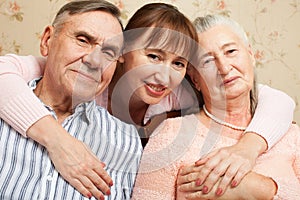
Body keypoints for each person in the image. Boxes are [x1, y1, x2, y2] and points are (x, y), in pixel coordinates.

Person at [0, 2, 296, 198]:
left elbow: (273, 98)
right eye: (152, 56)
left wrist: (248, 150)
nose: (163, 76)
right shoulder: (75, 73)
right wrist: (58, 140)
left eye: (179, 63)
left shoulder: (180, 93)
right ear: (124, 54)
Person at [131, 14, 300, 199]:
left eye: (230, 51)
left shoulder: (291, 135)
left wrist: (259, 189)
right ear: (195, 79)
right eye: (207, 61)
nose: (224, 67)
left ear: (251, 55)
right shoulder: (171, 135)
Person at [0, 0, 143, 199]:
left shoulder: (126, 141)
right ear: (47, 40)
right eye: (83, 40)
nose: (94, 61)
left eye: (109, 52)